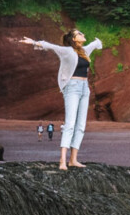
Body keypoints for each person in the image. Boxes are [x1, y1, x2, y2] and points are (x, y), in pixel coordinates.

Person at [20, 29, 104, 170]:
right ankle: (62, 161)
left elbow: (96, 44)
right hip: (72, 87)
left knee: (81, 125)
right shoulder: (67, 51)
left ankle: (73, 160)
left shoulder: (84, 51)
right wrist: (34, 42)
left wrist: (97, 42)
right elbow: (51, 46)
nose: (83, 34)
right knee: (70, 123)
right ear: (73, 39)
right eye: (79, 33)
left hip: (84, 88)